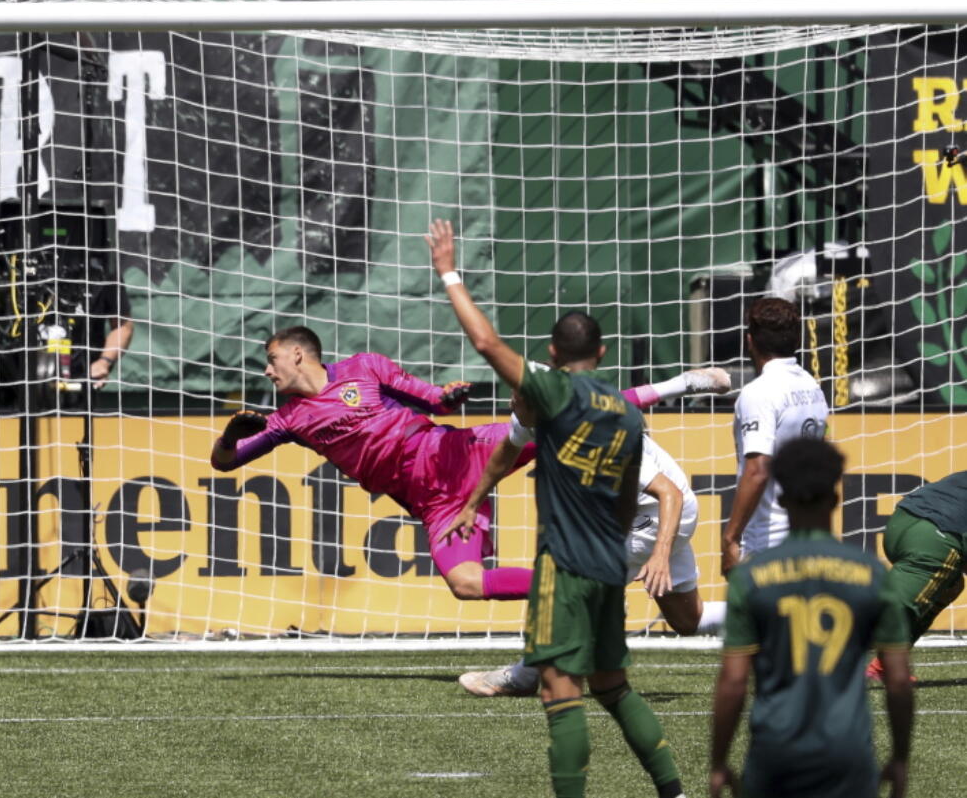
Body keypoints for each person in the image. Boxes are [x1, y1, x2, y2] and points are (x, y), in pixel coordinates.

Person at [427, 218, 685, 798]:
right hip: (607, 567)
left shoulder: (550, 392)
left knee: (559, 692)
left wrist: (448, 270)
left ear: (550, 353)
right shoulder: (625, 411)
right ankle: (675, 791)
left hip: (563, 571)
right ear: (601, 351)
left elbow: (487, 344)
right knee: (614, 688)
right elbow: (626, 496)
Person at [211, 327, 726, 604]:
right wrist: (231, 436)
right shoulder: (285, 420)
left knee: (572, 415)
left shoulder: (363, 367)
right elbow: (225, 464)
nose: (267, 369)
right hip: (434, 502)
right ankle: (574, 586)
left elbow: (428, 398)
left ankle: (681, 383)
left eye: (271, 359)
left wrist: (447, 396)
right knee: (465, 584)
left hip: (461, 453)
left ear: (299, 355)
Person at [710, 437, 912, 798]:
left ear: (782, 499)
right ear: (836, 498)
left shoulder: (751, 578)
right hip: (847, 752)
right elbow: (897, 680)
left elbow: (734, 682)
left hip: (775, 751)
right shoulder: (872, 574)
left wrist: (719, 761)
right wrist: (899, 757)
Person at [455, 430, 727, 697]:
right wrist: (472, 504)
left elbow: (670, 494)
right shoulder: (530, 412)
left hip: (661, 512)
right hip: (633, 511)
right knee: (687, 619)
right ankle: (762, 612)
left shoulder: (596, 435)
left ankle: (523, 676)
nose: (513, 398)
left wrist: (660, 553)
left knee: (572, 588)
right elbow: (507, 452)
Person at [0, 242, 132, 410]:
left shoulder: (102, 270)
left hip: (74, 384)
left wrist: (104, 362)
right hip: (7, 384)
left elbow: (123, 325)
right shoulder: (11, 269)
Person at [722, 297, 828, 576]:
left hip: (768, 543)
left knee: (759, 618)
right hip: (806, 534)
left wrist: (730, 538)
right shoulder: (811, 386)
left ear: (750, 341)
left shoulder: (759, 393)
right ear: (797, 339)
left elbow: (757, 470)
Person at [867, 469, 967, 681]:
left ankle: (885, 663)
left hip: (902, 521)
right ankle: (817, 650)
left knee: (951, 586)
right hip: (935, 536)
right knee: (890, 610)